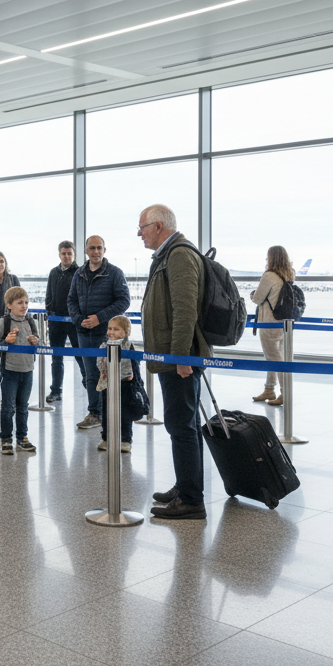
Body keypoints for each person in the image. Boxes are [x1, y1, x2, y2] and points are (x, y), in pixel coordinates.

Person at [138, 204, 211, 521]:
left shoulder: (179, 255)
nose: (139, 234)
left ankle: (192, 499)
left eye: (141, 227)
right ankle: (186, 486)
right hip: (171, 356)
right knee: (185, 425)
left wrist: (180, 356)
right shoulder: (168, 255)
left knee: (181, 426)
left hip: (177, 359)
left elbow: (185, 310)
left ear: (157, 226)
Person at [66, 235, 130, 430]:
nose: (96, 252)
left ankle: (112, 415)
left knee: (109, 375)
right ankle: (95, 413)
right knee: (90, 375)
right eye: (92, 248)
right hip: (84, 333)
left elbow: (123, 301)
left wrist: (99, 318)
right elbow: (71, 300)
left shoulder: (115, 273)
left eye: (99, 248)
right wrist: (79, 320)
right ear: (86, 251)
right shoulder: (79, 274)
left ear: (104, 250)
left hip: (107, 335)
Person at [250, 246, 296, 406]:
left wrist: (252, 295)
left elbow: (257, 298)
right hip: (284, 323)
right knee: (276, 357)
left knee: (275, 358)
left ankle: (285, 393)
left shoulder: (269, 275)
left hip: (269, 323)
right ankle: (269, 389)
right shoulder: (288, 275)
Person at [0, 286, 39, 456]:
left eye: (26, 302)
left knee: (23, 406)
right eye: (19, 302)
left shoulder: (30, 321)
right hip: (10, 371)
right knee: (8, 407)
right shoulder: (4, 322)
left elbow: (38, 342)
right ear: (9, 305)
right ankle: (6, 438)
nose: (24, 306)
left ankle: (22, 437)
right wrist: (6, 341)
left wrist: (35, 340)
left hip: (27, 370)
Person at [44, 240, 80, 404]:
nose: (66, 256)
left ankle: (91, 388)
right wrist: (50, 310)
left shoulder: (80, 272)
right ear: (59, 254)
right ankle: (56, 391)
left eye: (69, 253)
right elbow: (49, 295)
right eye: (64, 253)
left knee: (81, 356)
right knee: (56, 358)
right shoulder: (53, 272)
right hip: (56, 321)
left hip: (74, 321)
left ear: (73, 254)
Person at [96, 315, 136, 454]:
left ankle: (125, 440)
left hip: (125, 383)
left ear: (125, 332)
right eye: (109, 328)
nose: (111, 332)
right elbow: (99, 362)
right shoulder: (104, 345)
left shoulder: (129, 346)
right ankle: (107, 438)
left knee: (125, 413)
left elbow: (135, 364)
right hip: (107, 383)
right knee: (107, 411)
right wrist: (103, 370)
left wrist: (133, 376)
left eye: (116, 329)